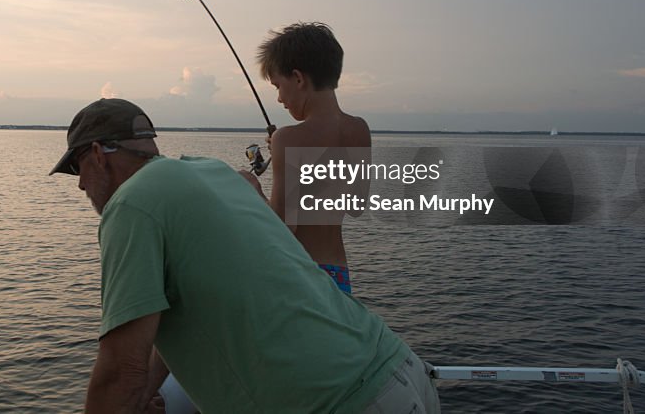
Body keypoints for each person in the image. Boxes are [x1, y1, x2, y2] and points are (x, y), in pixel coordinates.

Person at [50, 98, 440, 413]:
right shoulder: (215, 174)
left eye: (77, 167)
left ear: (99, 154)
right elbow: (176, 327)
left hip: (339, 402)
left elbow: (120, 369)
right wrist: (138, 398)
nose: (81, 184)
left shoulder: (131, 205)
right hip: (401, 370)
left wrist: (126, 393)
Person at [254, 22, 370, 294]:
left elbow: (281, 229)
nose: (280, 98)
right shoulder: (359, 129)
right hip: (339, 276)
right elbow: (356, 205)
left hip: (300, 276)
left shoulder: (287, 138)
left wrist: (252, 190)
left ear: (297, 78)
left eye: (277, 86)